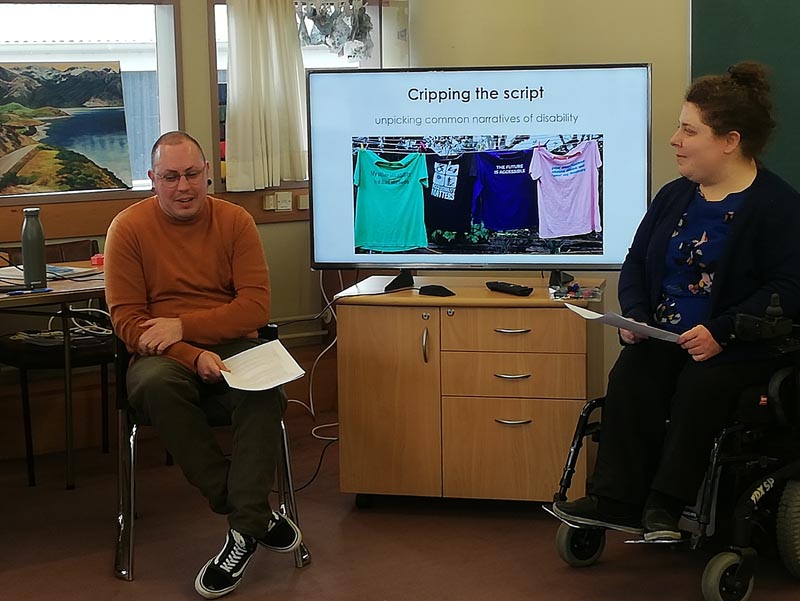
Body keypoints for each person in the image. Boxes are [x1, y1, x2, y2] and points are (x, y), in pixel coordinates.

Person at [553, 63, 800, 541]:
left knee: (701, 385)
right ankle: (616, 499)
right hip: (664, 335)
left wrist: (722, 330)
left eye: (689, 130)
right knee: (632, 373)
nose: (674, 139)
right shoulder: (673, 197)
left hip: (735, 346)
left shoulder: (779, 206)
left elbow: (789, 286)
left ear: (729, 140)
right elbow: (637, 265)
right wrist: (637, 318)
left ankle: (665, 506)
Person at [105, 131, 302, 598]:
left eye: (193, 174)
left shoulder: (235, 221)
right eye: (170, 177)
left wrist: (182, 325)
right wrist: (189, 350)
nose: (184, 186)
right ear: (152, 180)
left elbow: (255, 309)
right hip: (163, 355)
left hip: (233, 345)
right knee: (154, 385)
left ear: (208, 173)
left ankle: (242, 528)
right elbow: (129, 323)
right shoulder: (127, 229)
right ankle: (248, 512)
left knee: (266, 392)